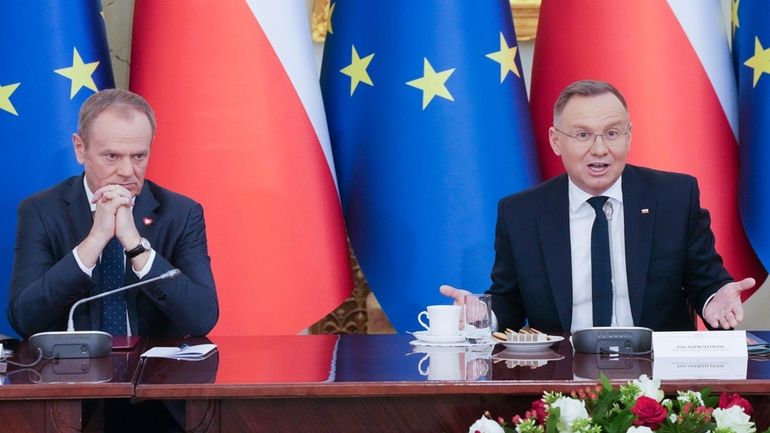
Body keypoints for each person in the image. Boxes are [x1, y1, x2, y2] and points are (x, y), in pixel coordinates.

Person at [442, 80, 754, 333]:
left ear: (629, 137)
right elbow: (508, 301)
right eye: (582, 135)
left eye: (613, 133)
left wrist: (715, 297)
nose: (600, 149)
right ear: (555, 141)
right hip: (560, 382)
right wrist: (481, 314)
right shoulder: (522, 214)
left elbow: (705, 278)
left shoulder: (674, 197)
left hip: (659, 379)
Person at [8, 88, 218, 338]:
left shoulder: (181, 214)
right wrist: (95, 240)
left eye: (139, 156)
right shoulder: (41, 211)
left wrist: (135, 245)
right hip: (72, 372)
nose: (127, 170)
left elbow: (202, 318)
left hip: (155, 372)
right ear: (80, 148)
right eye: (112, 156)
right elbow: (25, 319)